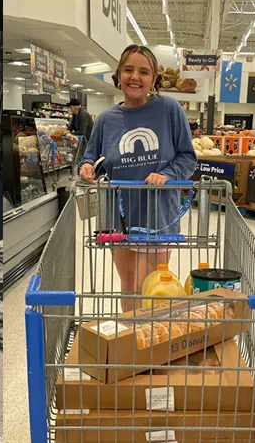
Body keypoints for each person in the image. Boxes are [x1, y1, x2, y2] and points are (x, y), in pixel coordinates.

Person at [78, 45, 196, 312]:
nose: (135, 77)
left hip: (156, 215)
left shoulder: (169, 109)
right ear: (118, 74)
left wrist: (166, 174)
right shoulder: (106, 119)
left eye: (144, 72)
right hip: (116, 215)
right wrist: (86, 169)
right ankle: (133, 344)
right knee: (129, 284)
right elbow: (90, 158)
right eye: (128, 69)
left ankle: (150, 344)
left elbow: (188, 157)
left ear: (154, 78)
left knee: (152, 287)